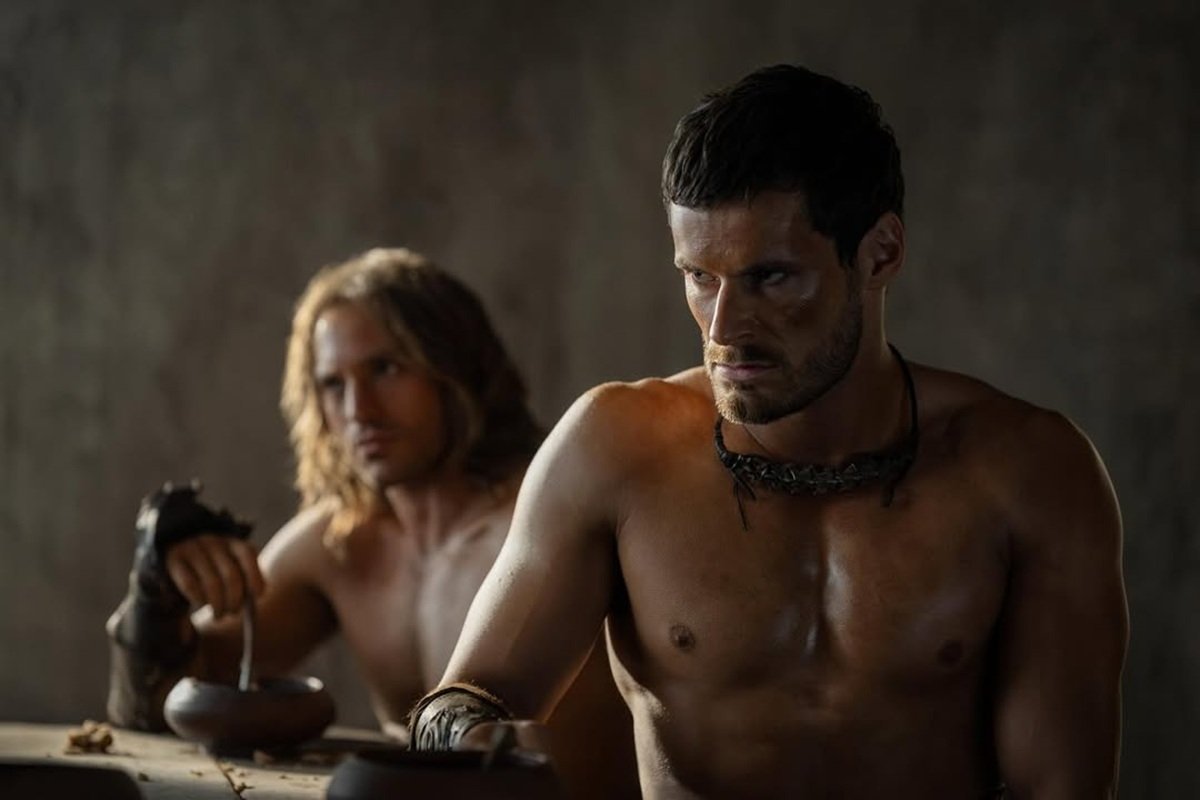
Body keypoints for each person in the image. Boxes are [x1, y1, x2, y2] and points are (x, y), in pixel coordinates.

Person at [409, 65, 1130, 799]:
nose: (724, 329)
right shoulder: (614, 448)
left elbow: (1063, 789)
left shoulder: (1028, 470)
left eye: (771, 278)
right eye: (700, 277)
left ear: (880, 253)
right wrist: (465, 734)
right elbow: (464, 697)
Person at [105, 247, 640, 799]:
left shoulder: (560, 524)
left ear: (457, 369)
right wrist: (153, 596)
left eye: (386, 369)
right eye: (333, 384)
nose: (359, 409)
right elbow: (153, 703)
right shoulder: (341, 542)